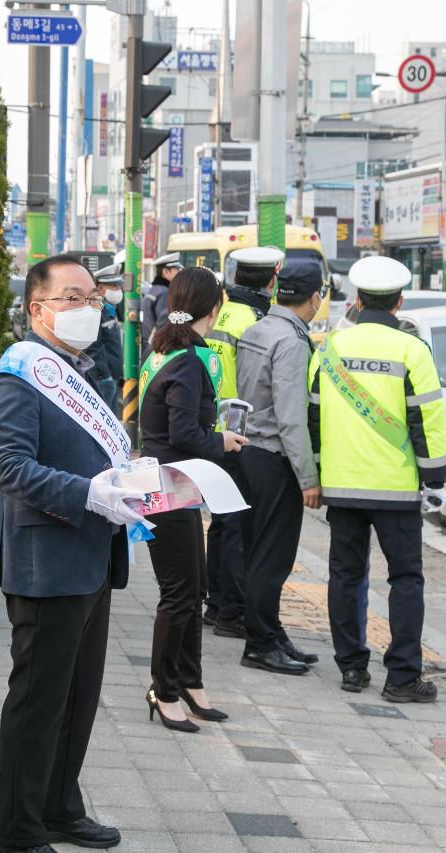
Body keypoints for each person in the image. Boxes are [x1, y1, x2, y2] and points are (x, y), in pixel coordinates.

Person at [0, 253, 143, 853]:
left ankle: (57, 805)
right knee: (37, 702)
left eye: (94, 299)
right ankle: (19, 833)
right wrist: (88, 494)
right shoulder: (17, 375)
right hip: (44, 562)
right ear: (37, 308)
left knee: (78, 694)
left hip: (93, 555)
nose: (87, 309)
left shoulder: (88, 370)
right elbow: (8, 467)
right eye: (71, 298)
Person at [307, 255, 446, 703]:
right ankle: (402, 677)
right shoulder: (412, 350)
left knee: (345, 576)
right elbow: (427, 419)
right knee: (405, 578)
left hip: (343, 487)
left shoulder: (328, 347)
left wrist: (316, 471)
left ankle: (351, 668)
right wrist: (435, 481)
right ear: (399, 301)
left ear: (357, 300)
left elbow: (312, 415)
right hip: (396, 486)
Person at [139, 266, 245, 732]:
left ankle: (190, 681)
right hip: (169, 486)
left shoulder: (165, 351)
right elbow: (183, 432)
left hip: (170, 483)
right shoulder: (186, 359)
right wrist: (223, 441)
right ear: (215, 308)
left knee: (193, 588)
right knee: (179, 594)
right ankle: (163, 690)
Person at [235, 256, 325, 675]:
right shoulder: (291, 342)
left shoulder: (258, 329)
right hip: (274, 459)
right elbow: (291, 416)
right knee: (272, 558)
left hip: (250, 452)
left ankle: (271, 633)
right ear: (315, 297)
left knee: (258, 551)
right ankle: (260, 643)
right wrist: (308, 476)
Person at [202, 246, 282, 640]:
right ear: (273, 277)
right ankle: (231, 612)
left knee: (219, 523)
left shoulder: (221, 313)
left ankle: (216, 604)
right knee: (236, 525)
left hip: (209, 429)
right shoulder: (257, 321)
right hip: (240, 433)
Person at [85, 260, 126, 412]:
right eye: (114, 286)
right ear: (101, 289)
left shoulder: (109, 310)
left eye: (119, 286)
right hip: (103, 380)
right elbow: (93, 348)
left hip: (112, 378)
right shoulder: (97, 313)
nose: (119, 290)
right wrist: (105, 375)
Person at [140, 251, 183, 343]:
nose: (180, 274)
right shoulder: (165, 292)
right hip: (158, 344)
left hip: (148, 342)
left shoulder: (154, 289)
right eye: (177, 270)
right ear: (166, 272)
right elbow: (164, 323)